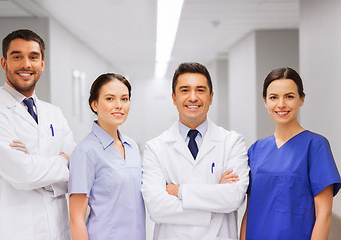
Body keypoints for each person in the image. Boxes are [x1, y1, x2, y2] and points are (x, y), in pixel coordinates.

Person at [0, 29, 75, 239]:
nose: (26, 64)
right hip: (12, 230)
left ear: (42, 64)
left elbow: (78, 170)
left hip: (56, 230)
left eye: (33, 57)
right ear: (4, 63)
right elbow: (22, 174)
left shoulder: (54, 113)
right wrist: (61, 161)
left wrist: (33, 162)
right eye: (17, 56)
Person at [141, 62, 249, 240]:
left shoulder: (232, 142)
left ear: (211, 97)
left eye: (200, 90)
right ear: (174, 98)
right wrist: (213, 202)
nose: (193, 97)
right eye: (184, 90)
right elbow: (157, 208)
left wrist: (180, 192)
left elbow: (234, 197)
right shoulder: (155, 147)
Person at [240, 67, 341, 240]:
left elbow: (324, 215)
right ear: (265, 101)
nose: (281, 104)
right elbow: (250, 211)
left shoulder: (315, 146)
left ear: (301, 99)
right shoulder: (256, 150)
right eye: (273, 97)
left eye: (289, 96)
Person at [68, 73, 146, 240]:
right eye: (110, 99)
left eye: (124, 99)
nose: (119, 105)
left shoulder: (132, 147)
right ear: (94, 104)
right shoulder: (85, 152)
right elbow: (76, 219)